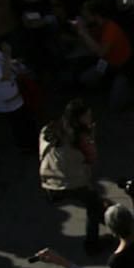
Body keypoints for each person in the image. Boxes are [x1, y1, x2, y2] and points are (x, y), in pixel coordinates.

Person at [39, 99, 106, 253]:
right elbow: (91, 159)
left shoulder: (48, 130)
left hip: (49, 178)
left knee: (60, 192)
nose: (90, 118)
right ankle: (92, 244)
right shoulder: (80, 138)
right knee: (93, 205)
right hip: (72, 182)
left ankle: (55, 196)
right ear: (79, 118)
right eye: (87, 116)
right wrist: (92, 137)